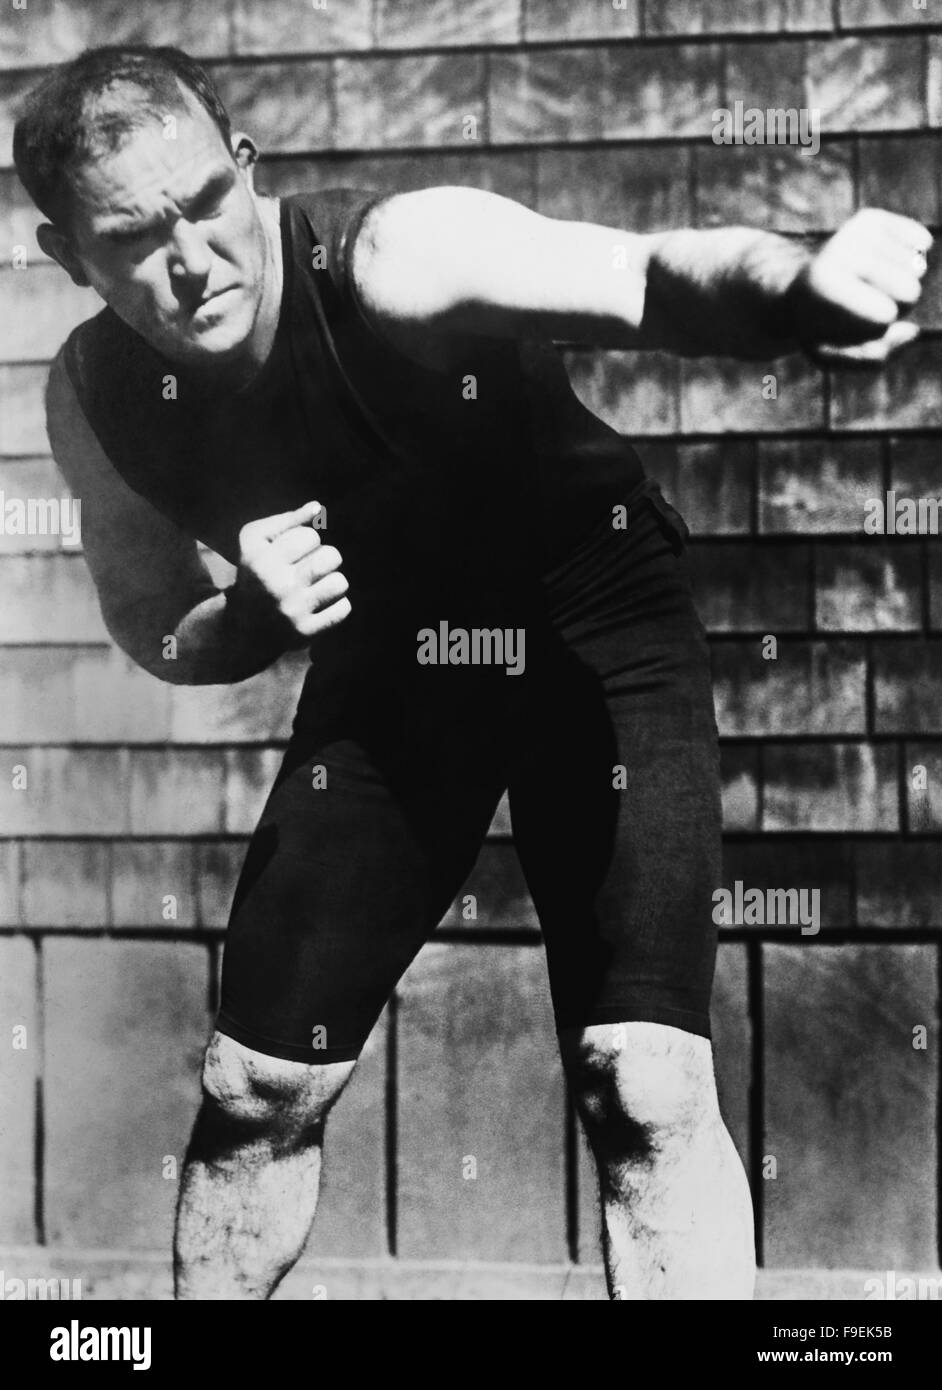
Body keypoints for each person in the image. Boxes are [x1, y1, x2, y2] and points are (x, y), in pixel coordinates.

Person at [14, 44, 930, 1301]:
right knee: (254, 1087)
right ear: (71, 258)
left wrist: (801, 283)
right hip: (395, 675)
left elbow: (643, 276)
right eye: (133, 239)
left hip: (594, 629)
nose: (193, 260)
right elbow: (159, 625)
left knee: (642, 1079)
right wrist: (251, 618)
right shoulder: (98, 393)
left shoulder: (397, 259)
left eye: (206, 205)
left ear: (246, 168)